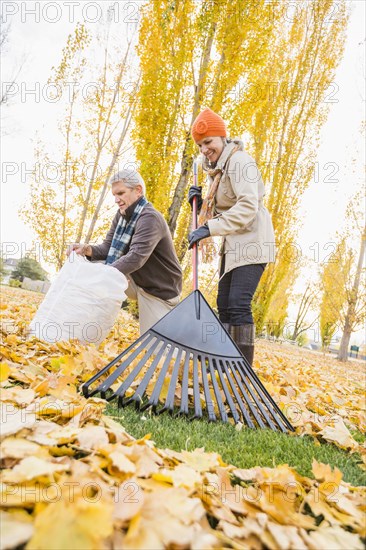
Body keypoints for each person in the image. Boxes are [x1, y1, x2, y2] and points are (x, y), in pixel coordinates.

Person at [188, 108, 275, 366]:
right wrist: (198, 201)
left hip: (253, 242)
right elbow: (220, 208)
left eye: (208, 142)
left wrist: (210, 228)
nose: (204, 149)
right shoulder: (217, 172)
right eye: (200, 145)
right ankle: (224, 363)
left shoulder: (240, 161)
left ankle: (242, 369)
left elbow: (248, 207)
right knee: (224, 303)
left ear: (222, 138)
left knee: (238, 303)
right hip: (234, 244)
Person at [68, 169, 182, 335]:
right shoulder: (121, 216)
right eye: (114, 195)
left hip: (159, 291)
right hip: (135, 279)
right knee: (90, 267)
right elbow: (107, 249)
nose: (116, 200)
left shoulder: (150, 218)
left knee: (156, 347)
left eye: (121, 193)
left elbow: (136, 257)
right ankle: (83, 329)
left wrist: (105, 275)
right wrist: (86, 249)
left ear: (138, 190)